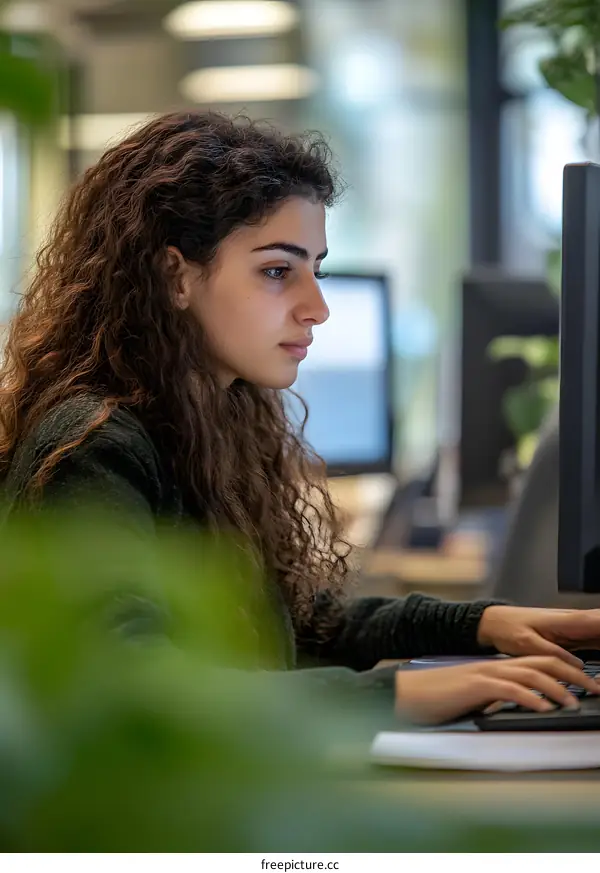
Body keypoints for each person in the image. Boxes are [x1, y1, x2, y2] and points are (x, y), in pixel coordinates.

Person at [1, 110, 600, 727]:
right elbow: (130, 688)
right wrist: (400, 697)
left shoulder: (211, 420)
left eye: (317, 269)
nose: (317, 308)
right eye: (277, 271)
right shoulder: (94, 445)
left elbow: (295, 623)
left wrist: (483, 625)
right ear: (175, 276)